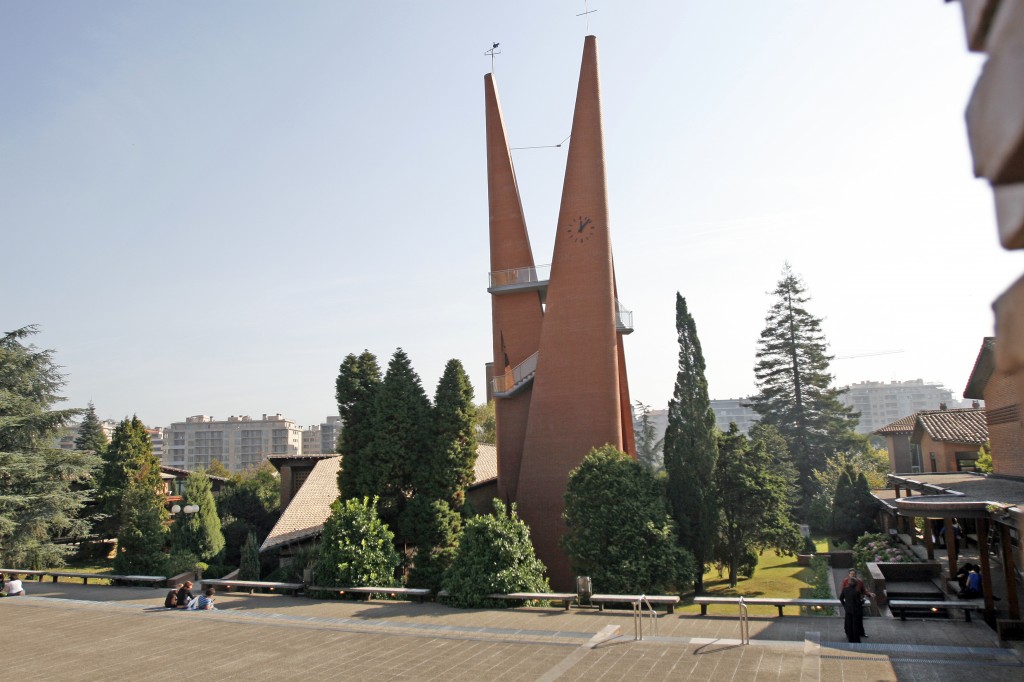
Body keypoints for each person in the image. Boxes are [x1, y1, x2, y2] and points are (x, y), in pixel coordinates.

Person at [839, 569, 873, 642]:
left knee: (857, 621)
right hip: (853, 606)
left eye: (854, 574)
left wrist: (869, 594)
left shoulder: (859, 582)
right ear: (848, 574)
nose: (853, 575)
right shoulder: (845, 582)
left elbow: (863, 590)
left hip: (852, 606)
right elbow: (843, 592)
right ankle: (851, 635)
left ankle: (859, 633)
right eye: (851, 574)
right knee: (851, 622)